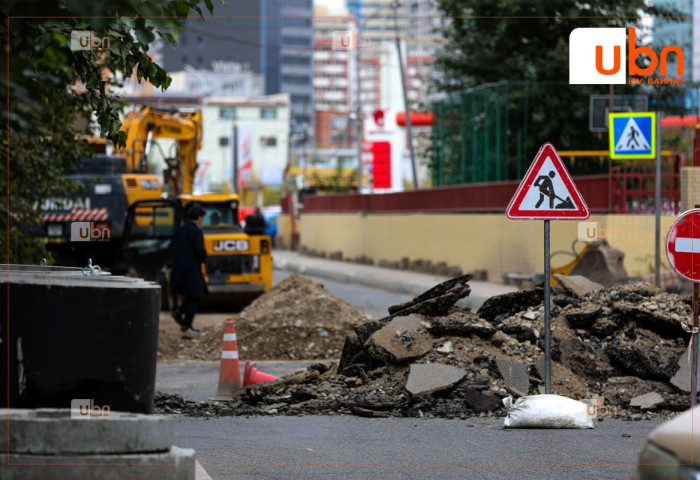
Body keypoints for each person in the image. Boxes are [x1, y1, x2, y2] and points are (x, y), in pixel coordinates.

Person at [170, 204, 207, 333]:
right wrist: (204, 258)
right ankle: (185, 322)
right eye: (202, 217)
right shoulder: (196, 231)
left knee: (191, 293)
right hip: (192, 268)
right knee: (197, 293)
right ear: (199, 217)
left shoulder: (181, 229)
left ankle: (181, 314)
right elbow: (199, 250)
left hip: (179, 267)